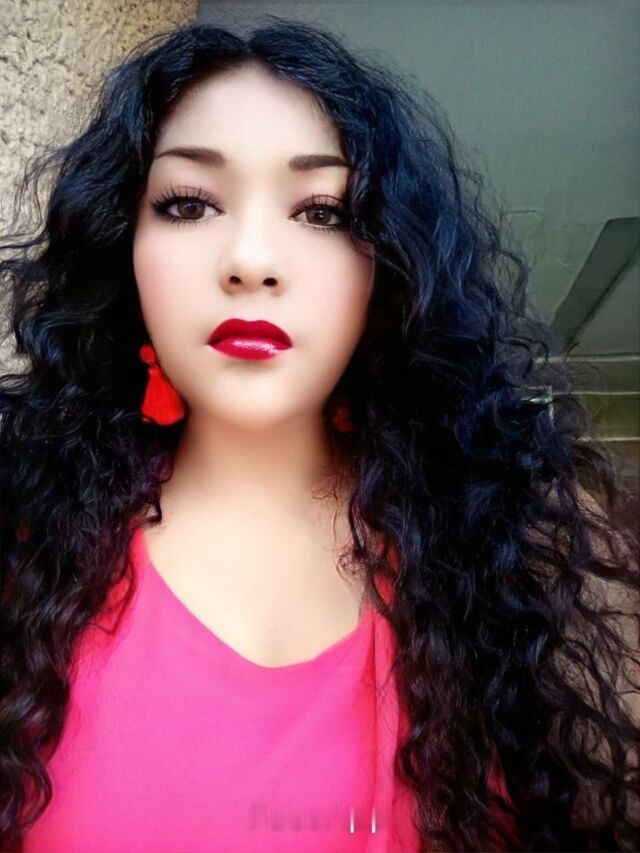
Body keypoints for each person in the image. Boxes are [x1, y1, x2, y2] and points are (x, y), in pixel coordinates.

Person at [0, 17, 638, 853]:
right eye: (189, 203)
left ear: (388, 267)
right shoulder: (24, 549)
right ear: (125, 245)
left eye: (323, 210)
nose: (251, 260)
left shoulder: (494, 567)